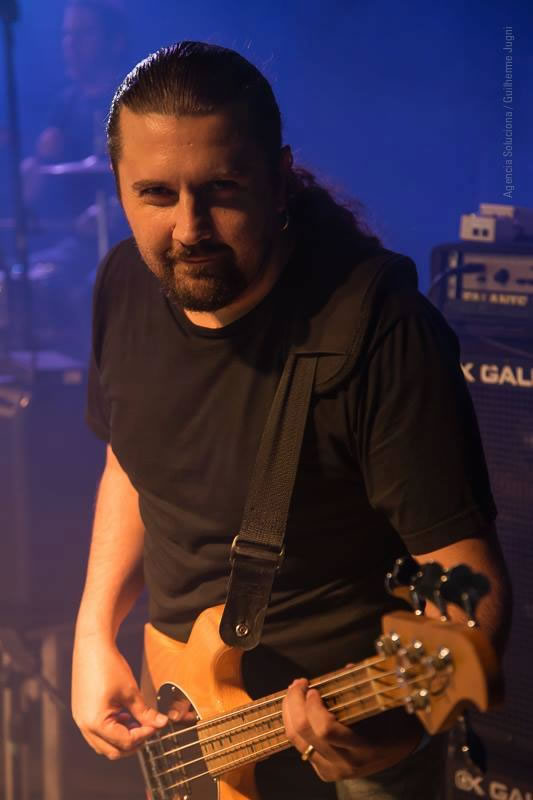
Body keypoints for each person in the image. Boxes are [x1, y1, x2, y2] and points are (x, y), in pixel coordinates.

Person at [71, 42, 511, 800]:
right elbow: (129, 464)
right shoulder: (123, 284)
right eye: (156, 195)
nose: (189, 228)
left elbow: (469, 583)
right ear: (118, 187)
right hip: (181, 714)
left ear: (279, 179)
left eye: (221, 188)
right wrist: (93, 631)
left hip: (345, 738)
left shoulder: (379, 331)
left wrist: (395, 737)